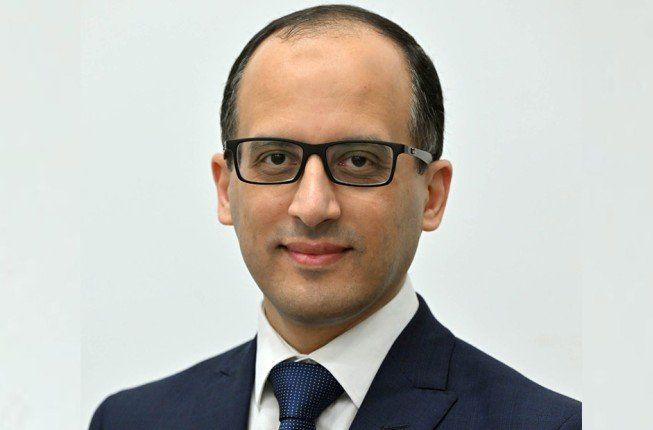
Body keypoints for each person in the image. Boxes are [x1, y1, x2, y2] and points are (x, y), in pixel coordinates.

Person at [89, 4, 581, 429]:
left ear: (432, 195)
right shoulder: (130, 421)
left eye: (359, 161)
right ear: (225, 188)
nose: (312, 207)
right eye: (276, 158)